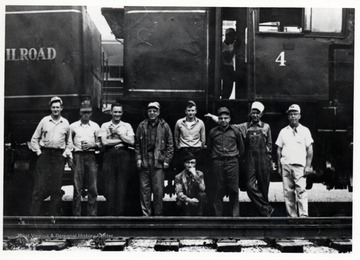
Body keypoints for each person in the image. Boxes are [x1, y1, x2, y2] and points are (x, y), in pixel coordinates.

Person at [205, 101, 274, 216]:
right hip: (250, 159)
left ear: (261, 114)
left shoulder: (266, 127)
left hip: (263, 160)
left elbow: (270, 144)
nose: (255, 115)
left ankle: (264, 213)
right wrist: (213, 116)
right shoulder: (243, 127)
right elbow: (225, 123)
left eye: (258, 113)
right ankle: (265, 208)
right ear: (250, 113)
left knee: (264, 187)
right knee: (249, 186)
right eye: (253, 112)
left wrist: (269, 159)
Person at [29, 96, 73, 216]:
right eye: (53, 107)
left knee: (56, 187)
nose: (55, 110)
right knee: (39, 186)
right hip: (45, 154)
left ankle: (54, 216)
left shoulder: (65, 123)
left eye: (57, 107)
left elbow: (70, 143)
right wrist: (39, 152)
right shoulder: (44, 121)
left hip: (58, 156)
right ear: (50, 108)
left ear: (61, 108)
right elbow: (34, 139)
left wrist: (64, 155)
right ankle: (33, 217)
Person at [135, 102, 174, 216]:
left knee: (158, 190)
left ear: (158, 112)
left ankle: (158, 216)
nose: (152, 113)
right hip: (145, 159)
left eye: (154, 111)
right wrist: (138, 159)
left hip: (158, 160)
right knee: (144, 190)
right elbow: (136, 144)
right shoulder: (142, 125)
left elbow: (170, 145)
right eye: (150, 111)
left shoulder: (164, 126)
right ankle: (146, 215)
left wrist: (167, 160)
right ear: (147, 112)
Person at [275, 104, 314, 217]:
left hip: (299, 165)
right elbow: (278, 150)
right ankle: (292, 216)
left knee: (301, 190)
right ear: (288, 117)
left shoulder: (305, 131)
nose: (293, 116)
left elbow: (310, 149)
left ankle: (303, 215)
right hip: (286, 165)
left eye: (295, 114)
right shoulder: (283, 131)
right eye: (291, 114)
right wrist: (279, 166)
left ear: (299, 116)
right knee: (288, 192)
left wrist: (308, 166)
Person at [207, 107, 244, 217]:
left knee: (233, 189)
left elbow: (241, 148)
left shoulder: (235, 131)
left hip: (232, 162)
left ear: (229, 119)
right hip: (218, 163)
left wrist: (234, 158)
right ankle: (218, 217)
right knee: (218, 189)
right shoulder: (213, 132)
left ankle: (235, 216)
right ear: (218, 119)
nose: (223, 120)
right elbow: (209, 148)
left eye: (225, 118)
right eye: (221, 118)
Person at [99, 103, 135, 215]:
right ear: (111, 112)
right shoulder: (105, 125)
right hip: (109, 156)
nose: (117, 114)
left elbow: (132, 141)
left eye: (119, 112)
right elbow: (104, 142)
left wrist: (118, 134)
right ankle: (110, 213)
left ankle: (120, 214)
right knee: (109, 186)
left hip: (123, 156)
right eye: (115, 112)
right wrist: (122, 140)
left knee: (122, 185)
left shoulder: (126, 126)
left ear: (122, 113)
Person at [70, 100, 100, 216]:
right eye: (83, 112)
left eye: (88, 112)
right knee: (77, 187)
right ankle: (76, 215)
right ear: (80, 113)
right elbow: (69, 142)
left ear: (91, 113)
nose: (86, 115)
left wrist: (92, 145)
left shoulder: (95, 126)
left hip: (91, 156)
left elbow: (100, 143)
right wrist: (70, 156)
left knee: (92, 187)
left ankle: (92, 215)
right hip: (78, 156)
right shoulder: (73, 126)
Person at [174, 100, 206, 171]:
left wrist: (200, 147)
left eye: (192, 110)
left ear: (195, 111)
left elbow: (203, 139)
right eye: (188, 110)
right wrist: (178, 147)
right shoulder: (179, 122)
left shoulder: (200, 123)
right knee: (182, 172)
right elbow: (176, 137)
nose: (190, 112)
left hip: (196, 150)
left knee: (196, 172)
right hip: (184, 150)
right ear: (185, 111)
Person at [221, 28, 240, 99]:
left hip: (230, 69)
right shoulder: (223, 45)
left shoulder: (230, 46)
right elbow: (228, 59)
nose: (234, 40)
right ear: (228, 36)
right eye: (233, 37)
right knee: (227, 90)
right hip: (226, 69)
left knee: (229, 89)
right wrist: (235, 49)